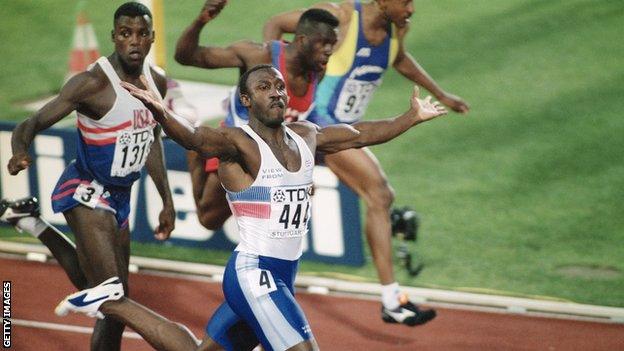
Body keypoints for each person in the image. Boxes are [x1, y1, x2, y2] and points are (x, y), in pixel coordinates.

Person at [55, 64, 448, 351]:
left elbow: (360, 134)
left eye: (279, 86)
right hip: (253, 273)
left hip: (283, 273)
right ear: (247, 100)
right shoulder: (238, 145)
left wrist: (410, 117)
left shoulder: (307, 135)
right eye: (264, 86)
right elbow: (194, 137)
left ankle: (110, 300)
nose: (276, 91)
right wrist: (160, 110)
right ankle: (109, 298)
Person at [262, 0, 470, 325]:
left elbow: (398, 59)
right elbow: (275, 23)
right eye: (405, 1)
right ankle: (390, 299)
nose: (411, 8)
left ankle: (266, 295)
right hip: (319, 124)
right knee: (379, 193)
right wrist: (272, 91)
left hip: (349, 131)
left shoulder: (393, 32)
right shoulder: (341, 17)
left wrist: (441, 94)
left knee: (357, 200)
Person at [5, 2, 175, 350]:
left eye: (142, 34)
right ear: (114, 37)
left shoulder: (156, 81)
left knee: (109, 294)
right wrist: (20, 151)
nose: (134, 42)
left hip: (120, 196)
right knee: (113, 301)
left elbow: (153, 138)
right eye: (126, 33)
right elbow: (31, 123)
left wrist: (167, 200)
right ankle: (32, 224)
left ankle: (30, 222)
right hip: (86, 190)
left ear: (152, 37)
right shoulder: (93, 83)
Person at [174, 0, 338, 232]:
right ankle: (196, 150)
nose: (330, 51)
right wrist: (201, 21)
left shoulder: (317, 73)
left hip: (272, 159)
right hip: (235, 149)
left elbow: (293, 125)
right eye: (323, 44)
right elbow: (186, 57)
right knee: (208, 219)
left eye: (333, 44)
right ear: (302, 41)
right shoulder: (258, 56)